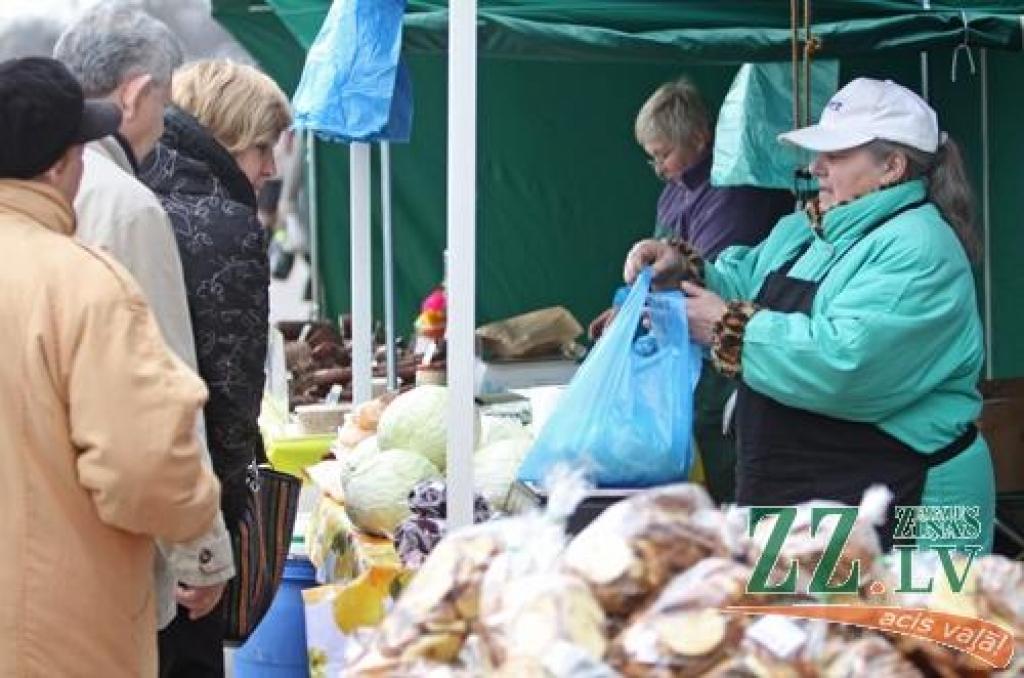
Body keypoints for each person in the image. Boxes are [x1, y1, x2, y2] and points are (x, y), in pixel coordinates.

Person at [624, 78, 995, 549]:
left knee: (924, 622)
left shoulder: (921, 247)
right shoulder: (808, 226)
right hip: (816, 492)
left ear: (892, 167)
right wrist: (686, 270)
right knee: (798, 623)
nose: (816, 166)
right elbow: (746, 281)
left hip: (923, 502)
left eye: (835, 154)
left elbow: (846, 364)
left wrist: (727, 328)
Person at [0, 56, 221, 677]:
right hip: (58, 635)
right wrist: (198, 530)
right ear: (60, 166)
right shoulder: (83, 284)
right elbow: (144, 466)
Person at [53, 2, 235, 636]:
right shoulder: (126, 206)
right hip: (105, 550)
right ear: (135, 94)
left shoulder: (32, 193)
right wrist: (200, 549)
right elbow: (163, 391)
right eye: (164, 99)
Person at [139, 58, 291, 677]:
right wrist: (213, 546)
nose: (271, 168)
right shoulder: (228, 226)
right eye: (262, 147)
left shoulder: (136, 194)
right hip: (188, 500)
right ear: (228, 136)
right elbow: (229, 402)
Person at [592, 77, 793, 503]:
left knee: (718, 458)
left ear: (700, 138)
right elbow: (656, 271)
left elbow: (705, 280)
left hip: (722, 361)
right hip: (686, 354)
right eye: (652, 158)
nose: (659, 167)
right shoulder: (672, 195)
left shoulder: (733, 195)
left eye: (664, 154)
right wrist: (624, 307)